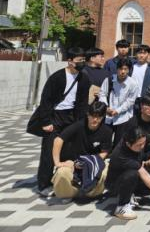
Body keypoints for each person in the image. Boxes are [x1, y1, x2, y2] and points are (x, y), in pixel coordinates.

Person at [36, 47, 91, 197]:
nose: (82, 63)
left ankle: (66, 181)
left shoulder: (84, 78)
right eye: (79, 60)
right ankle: (44, 184)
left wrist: (81, 122)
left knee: (70, 150)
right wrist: (46, 122)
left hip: (72, 116)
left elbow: (83, 103)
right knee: (49, 150)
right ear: (70, 61)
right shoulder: (57, 77)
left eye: (83, 60)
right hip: (55, 116)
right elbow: (46, 100)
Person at [50, 101, 111, 200]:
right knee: (62, 172)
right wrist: (57, 163)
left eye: (99, 117)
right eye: (92, 116)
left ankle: (91, 193)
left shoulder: (107, 131)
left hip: (94, 162)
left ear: (103, 116)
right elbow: (58, 140)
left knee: (106, 172)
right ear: (88, 114)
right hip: (75, 162)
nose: (95, 119)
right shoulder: (78, 126)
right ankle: (69, 193)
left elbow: (105, 152)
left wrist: (88, 162)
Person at [106, 126, 150, 220]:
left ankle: (130, 194)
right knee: (133, 174)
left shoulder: (140, 137)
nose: (142, 146)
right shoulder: (121, 155)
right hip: (115, 183)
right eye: (139, 145)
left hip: (131, 173)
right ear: (128, 144)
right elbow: (144, 174)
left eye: (143, 143)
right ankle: (121, 207)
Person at [99, 58, 138, 147]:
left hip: (123, 118)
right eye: (121, 69)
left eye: (125, 69)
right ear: (117, 69)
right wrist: (105, 107)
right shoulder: (109, 79)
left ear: (129, 70)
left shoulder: (133, 84)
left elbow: (130, 101)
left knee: (119, 143)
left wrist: (118, 111)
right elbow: (102, 94)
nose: (123, 72)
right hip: (108, 116)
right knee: (105, 141)